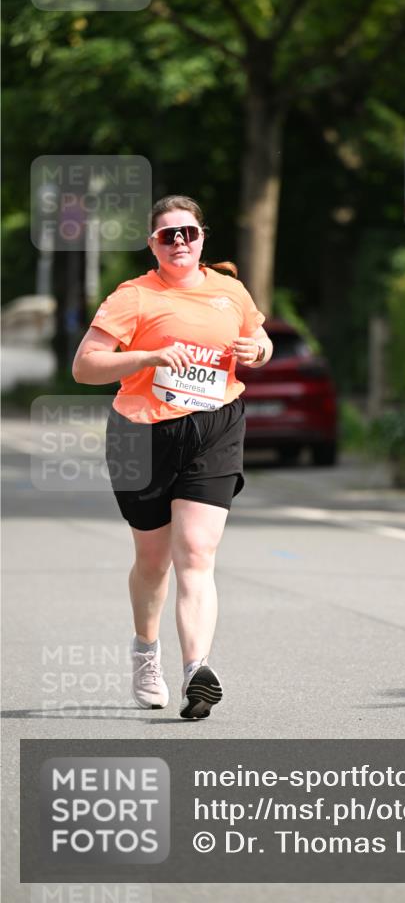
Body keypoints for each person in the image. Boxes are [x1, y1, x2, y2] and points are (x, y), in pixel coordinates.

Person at [72, 195, 273, 720]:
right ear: (153, 244)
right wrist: (150, 356)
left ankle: (196, 672)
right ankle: (146, 652)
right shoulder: (133, 296)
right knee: (154, 560)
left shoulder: (230, 291)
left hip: (215, 427)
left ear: (203, 237)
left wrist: (259, 351)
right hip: (142, 435)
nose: (179, 242)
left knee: (197, 553)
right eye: (168, 235)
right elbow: (86, 367)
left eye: (188, 232)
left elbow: (259, 340)